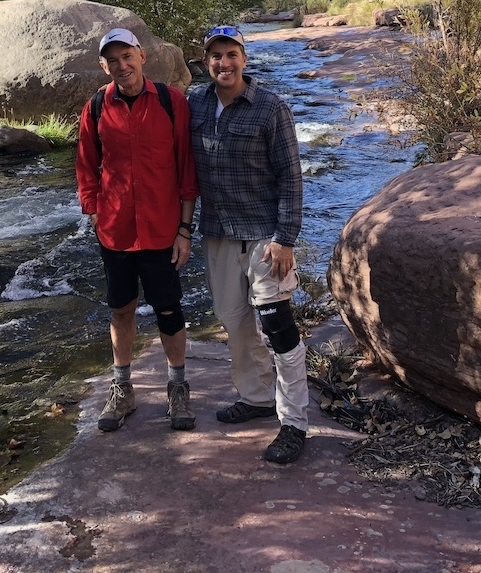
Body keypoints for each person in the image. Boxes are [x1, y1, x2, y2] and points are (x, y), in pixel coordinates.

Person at [188, 24, 308, 464]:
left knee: (276, 325)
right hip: (218, 231)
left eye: (231, 54)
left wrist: (285, 238)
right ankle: (256, 396)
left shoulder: (270, 108)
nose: (224, 63)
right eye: (216, 56)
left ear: (245, 59)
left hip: (263, 235)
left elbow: (291, 178)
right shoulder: (194, 104)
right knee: (233, 321)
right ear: (206, 63)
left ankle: (293, 421)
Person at [76, 27, 200, 433]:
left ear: (141, 55)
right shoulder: (96, 107)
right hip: (116, 231)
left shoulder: (171, 101)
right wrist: (93, 210)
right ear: (103, 65)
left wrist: (185, 230)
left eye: (127, 56)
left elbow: (186, 168)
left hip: (163, 229)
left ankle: (177, 389)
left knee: (169, 309)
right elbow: (85, 165)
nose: (121, 66)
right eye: (112, 60)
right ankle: (122, 388)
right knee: (121, 308)